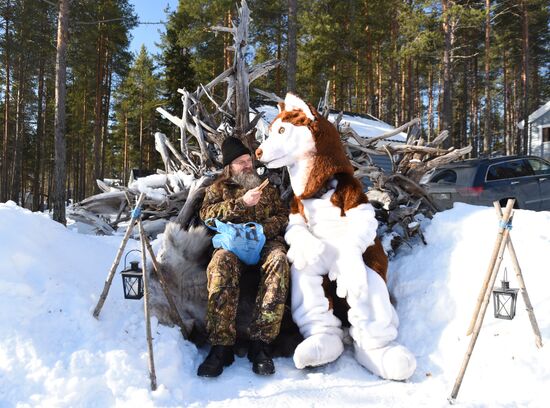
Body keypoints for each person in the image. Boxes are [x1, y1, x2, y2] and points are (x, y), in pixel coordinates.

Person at [197, 136, 290, 377]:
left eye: (249, 160)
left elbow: (283, 216)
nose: (248, 165)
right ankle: (221, 346)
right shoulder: (218, 188)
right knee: (220, 263)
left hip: (265, 243)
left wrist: (260, 231)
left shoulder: (267, 188)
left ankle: (261, 345)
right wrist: (241, 204)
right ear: (229, 167)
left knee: (278, 260)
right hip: (233, 246)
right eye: (241, 162)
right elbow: (207, 216)